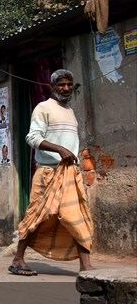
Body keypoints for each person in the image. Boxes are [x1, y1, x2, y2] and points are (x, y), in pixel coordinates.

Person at [9, 69, 93, 276]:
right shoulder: (43, 108)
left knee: (77, 215)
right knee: (37, 217)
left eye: (69, 84)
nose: (65, 88)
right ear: (52, 87)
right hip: (47, 173)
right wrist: (59, 149)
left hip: (70, 173)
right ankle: (18, 259)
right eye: (61, 85)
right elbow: (32, 138)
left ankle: (86, 266)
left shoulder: (71, 112)